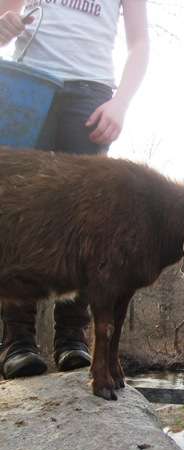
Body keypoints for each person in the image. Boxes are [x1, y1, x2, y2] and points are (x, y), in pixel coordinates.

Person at [0, 0, 149, 379]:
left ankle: (72, 338)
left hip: (91, 93)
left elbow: (139, 44)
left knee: (87, 220)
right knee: (20, 213)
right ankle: (17, 342)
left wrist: (120, 104)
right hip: (28, 82)